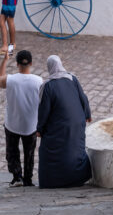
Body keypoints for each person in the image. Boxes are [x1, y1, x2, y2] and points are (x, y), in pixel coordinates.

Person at [36, 55, 92, 189]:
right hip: (77, 123)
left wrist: (40, 129)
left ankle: (52, 182)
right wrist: (87, 115)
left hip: (59, 125)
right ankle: (78, 177)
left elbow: (44, 110)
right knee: (74, 148)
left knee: (49, 150)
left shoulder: (48, 86)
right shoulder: (73, 78)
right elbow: (83, 98)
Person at [0, 49, 42, 187]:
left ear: (17, 64)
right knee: (30, 153)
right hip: (31, 125)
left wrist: (4, 61)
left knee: (12, 152)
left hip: (12, 124)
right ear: (31, 63)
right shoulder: (38, 81)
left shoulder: (10, 80)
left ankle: (17, 177)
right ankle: (28, 178)